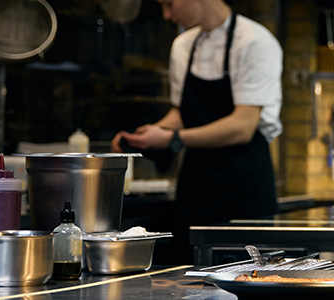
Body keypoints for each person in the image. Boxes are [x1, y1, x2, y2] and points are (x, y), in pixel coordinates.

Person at [113, 0, 283, 263]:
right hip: (196, 189)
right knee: (186, 279)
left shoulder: (254, 41)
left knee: (247, 278)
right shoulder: (183, 45)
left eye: (169, 4)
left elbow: (243, 126)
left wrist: (172, 139)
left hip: (243, 193)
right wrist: (148, 135)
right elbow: (183, 113)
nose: (167, 15)